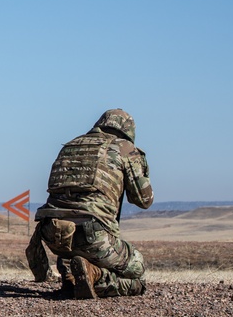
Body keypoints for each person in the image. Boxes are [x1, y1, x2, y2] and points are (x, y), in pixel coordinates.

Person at [27, 109, 154, 298]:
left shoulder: (70, 146)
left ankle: (71, 275)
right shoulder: (124, 148)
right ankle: (97, 276)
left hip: (52, 233)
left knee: (82, 251)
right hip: (93, 235)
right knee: (137, 272)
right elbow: (144, 200)